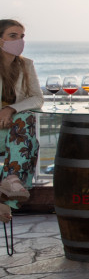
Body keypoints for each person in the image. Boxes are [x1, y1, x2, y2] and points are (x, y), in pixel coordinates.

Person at [0, 19, 42, 223]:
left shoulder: (26, 65)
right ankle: (6, 201)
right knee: (30, 144)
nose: (19, 41)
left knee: (25, 121)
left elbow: (37, 98)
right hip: (7, 132)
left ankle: (8, 191)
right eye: (13, 36)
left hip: (13, 130)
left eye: (21, 36)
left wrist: (11, 110)